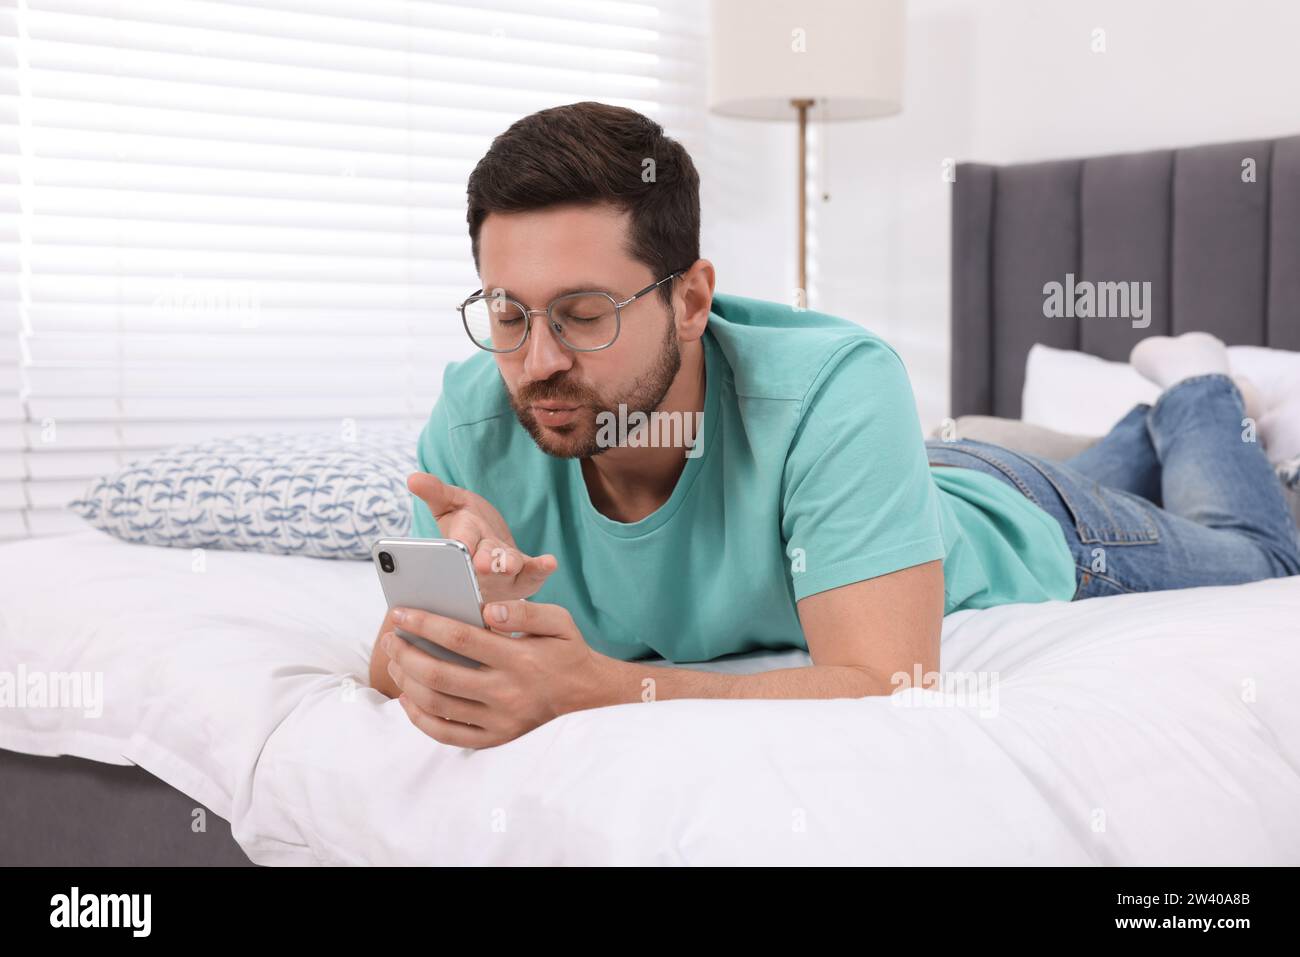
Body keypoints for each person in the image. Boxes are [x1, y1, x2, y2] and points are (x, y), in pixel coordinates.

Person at [368, 101, 1299, 749]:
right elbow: (389, 664)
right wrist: (454, 620)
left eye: (583, 312)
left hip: (1023, 516)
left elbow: (886, 682)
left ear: (692, 300)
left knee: (1261, 552)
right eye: (508, 313)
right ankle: (1140, 425)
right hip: (904, 476)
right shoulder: (479, 413)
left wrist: (598, 688)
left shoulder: (838, 389)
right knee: (1104, 464)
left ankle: (1198, 389)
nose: (538, 362)